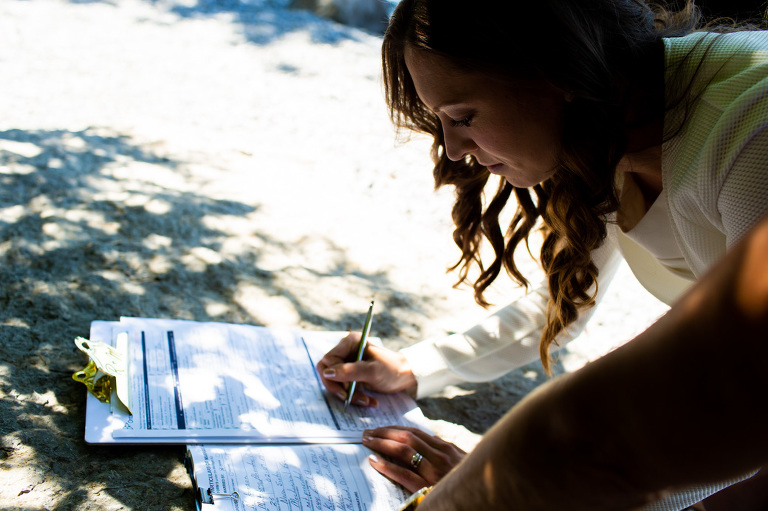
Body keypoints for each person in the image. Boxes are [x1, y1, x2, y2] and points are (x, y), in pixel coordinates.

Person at [317, 0, 768, 509]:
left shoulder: (752, 126)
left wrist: (503, 489)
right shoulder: (607, 124)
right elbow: (566, 299)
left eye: (463, 116)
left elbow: (731, 395)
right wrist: (417, 366)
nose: (452, 149)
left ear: (554, 69)